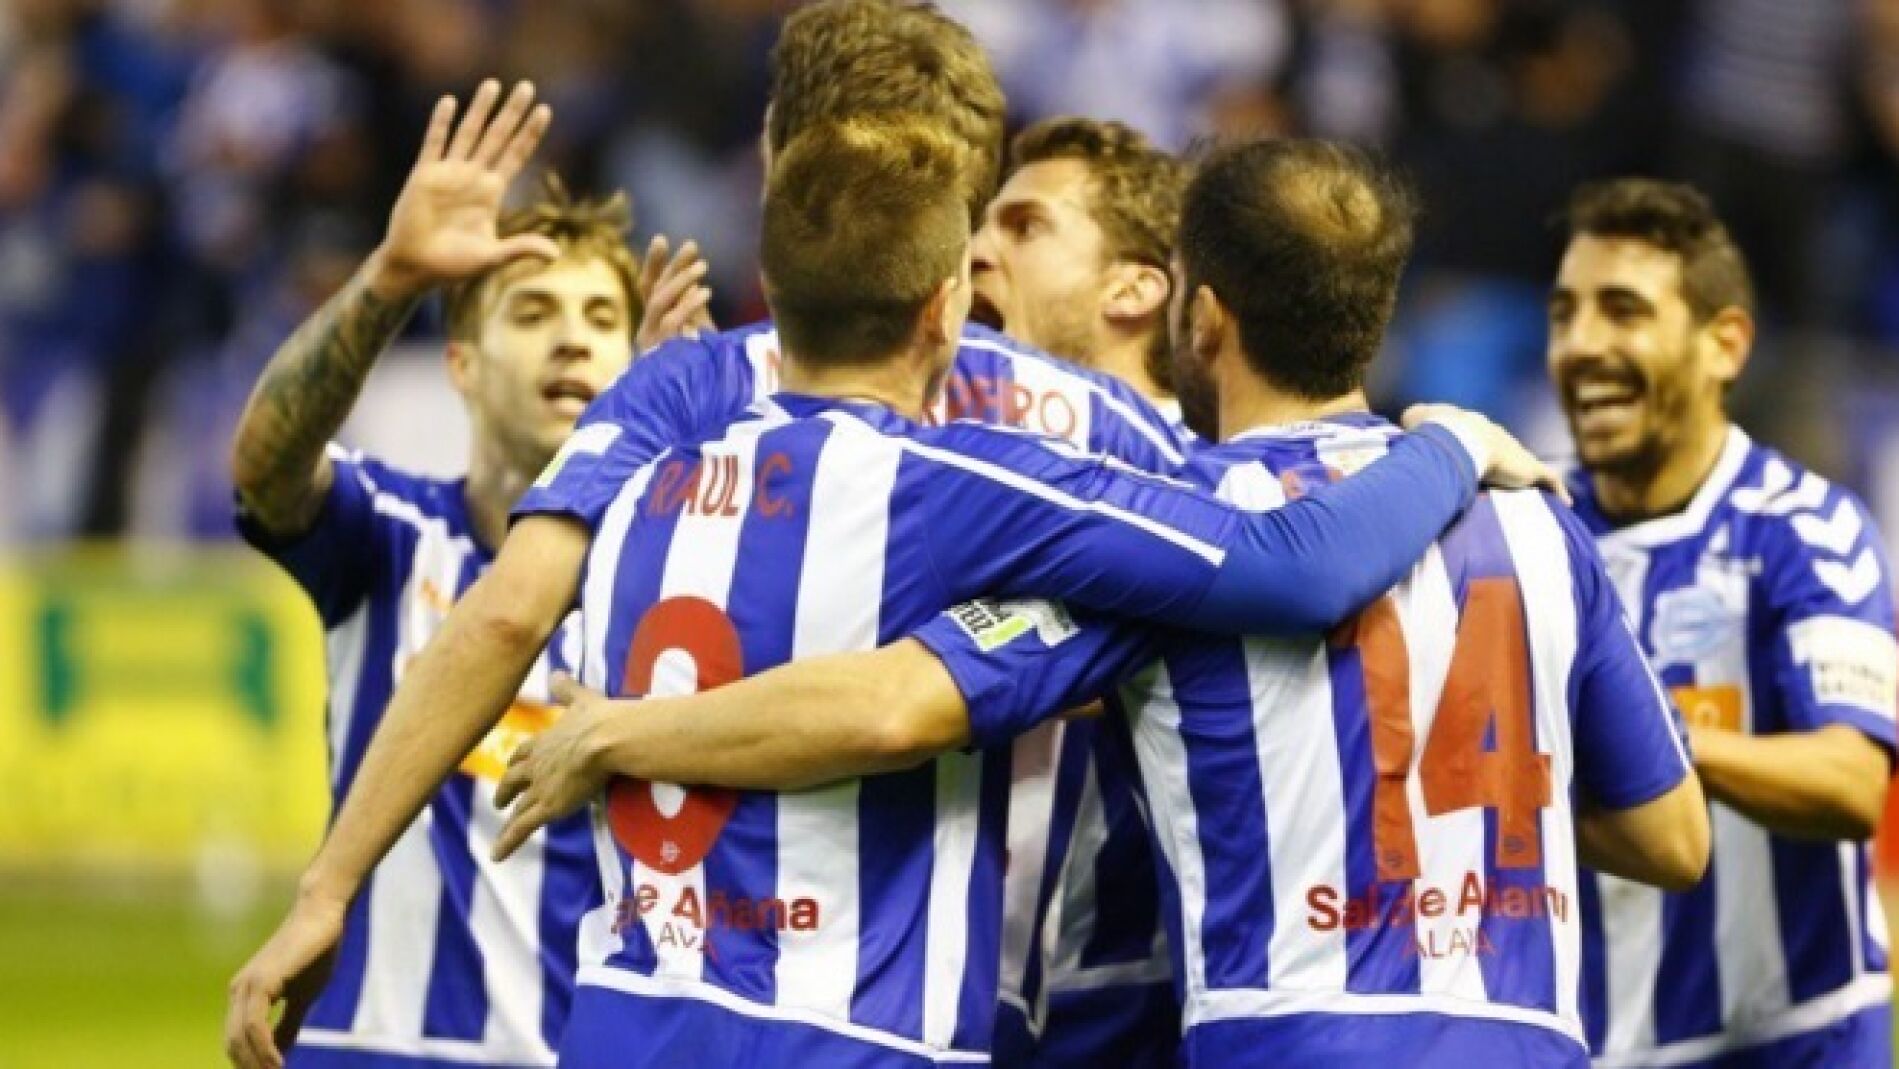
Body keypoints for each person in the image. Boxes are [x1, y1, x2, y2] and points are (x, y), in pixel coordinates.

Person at [229, 108, 1551, 1069]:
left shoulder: (637, 439)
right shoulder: (975, 482)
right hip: (851, 1034)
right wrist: (1448, 439)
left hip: (626, 1019)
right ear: (941, 310)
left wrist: (324, 889)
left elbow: (504, 611)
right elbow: (1294, 566)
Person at [502, 139, 1713, 1069]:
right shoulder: (1541, 521)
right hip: (1535, 1037)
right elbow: (1673, 839)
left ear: (1204, 315)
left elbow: (897, 704)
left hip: (1290, 1033)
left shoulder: (1170, 531)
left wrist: (618, 732)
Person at [225, 80, 699, 1068]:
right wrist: (391, 276)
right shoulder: (390, 533)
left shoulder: (683, 581)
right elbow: (267, 464)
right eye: (532, 310)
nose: (572, 335)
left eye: (601, 317)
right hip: (368, 1049)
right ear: (463, 365)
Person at [1546, 179, 1896, 1067]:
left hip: (1790, 1044)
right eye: (1564, 314)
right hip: (1586, 1043)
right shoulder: (1524, 528)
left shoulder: (1806, 530)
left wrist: (1647, 737)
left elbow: (1851, 781)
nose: (1581, 346)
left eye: (1622, 311)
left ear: (1723, 344)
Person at [962, 115, 1190, 1068]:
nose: (974, 249)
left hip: (1133, 1019)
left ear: (1133, 287)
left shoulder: (1208, 493)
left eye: (1024, 227)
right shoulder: (934, 479)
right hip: (937, 1002)